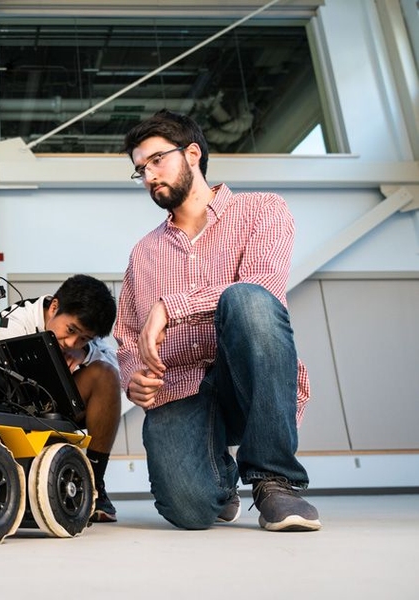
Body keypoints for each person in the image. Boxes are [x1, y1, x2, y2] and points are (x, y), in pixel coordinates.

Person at [115, 109, 320, 532]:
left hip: (251, 379)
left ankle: (274, 481)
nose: (149, 176)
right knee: (189, 511)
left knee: (248, 299)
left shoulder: (263, 211)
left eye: (156, 160)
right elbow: (127, 336)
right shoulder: (143, 253)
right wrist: (133, 377)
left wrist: (172, 306)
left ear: (193, 154)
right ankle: (219, 485)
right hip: (180, 384)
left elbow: (262, 286)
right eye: (140, 170)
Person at [0, 274, 122, 523]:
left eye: (84, 338)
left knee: (105, 375)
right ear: (54, 307)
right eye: (70, 330)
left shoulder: (82, 347)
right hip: (11, 410)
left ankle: (93, 483)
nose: (72, 342)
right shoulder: (16, 320)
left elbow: (115, 370)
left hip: (57, 407)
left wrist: (85, 354)